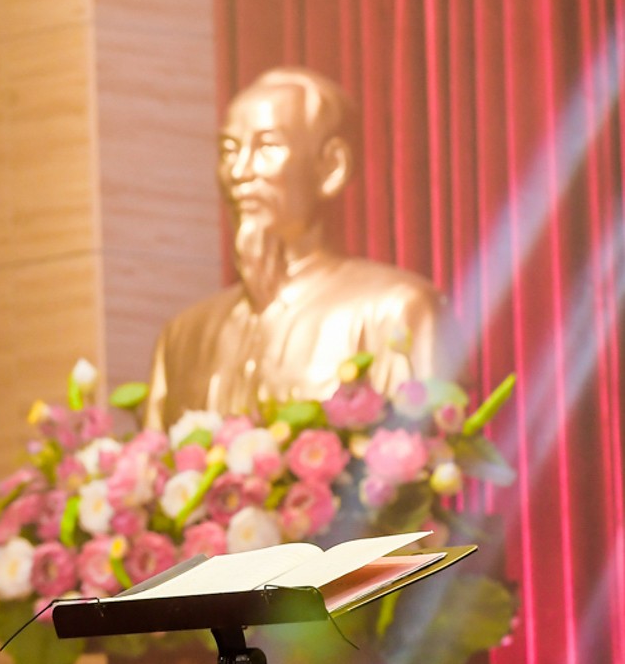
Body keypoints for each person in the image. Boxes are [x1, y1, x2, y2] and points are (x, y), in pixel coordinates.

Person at [145, 66, 443, 430]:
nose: (239, 171)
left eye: (267, 147)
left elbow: (417, 465)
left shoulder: (396, 311)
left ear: (331, 167)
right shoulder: (183, 336)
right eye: (229, 150)